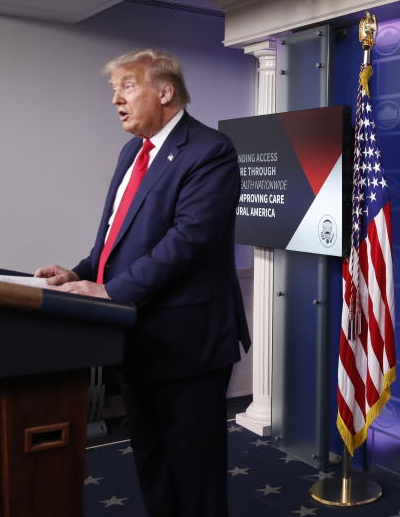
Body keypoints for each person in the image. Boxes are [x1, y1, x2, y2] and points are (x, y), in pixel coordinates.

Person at [35, 49, 250, 517]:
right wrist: (81, 272)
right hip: (136, 336)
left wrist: (111, 291)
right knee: (152, 458)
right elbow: (118, 237)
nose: (116, 100)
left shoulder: (210, 150)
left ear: (165, 91)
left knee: (194, 469)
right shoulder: (132, 152)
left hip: (187, 342)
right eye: (114, 90)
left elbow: (188, 242)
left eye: (127, 87)